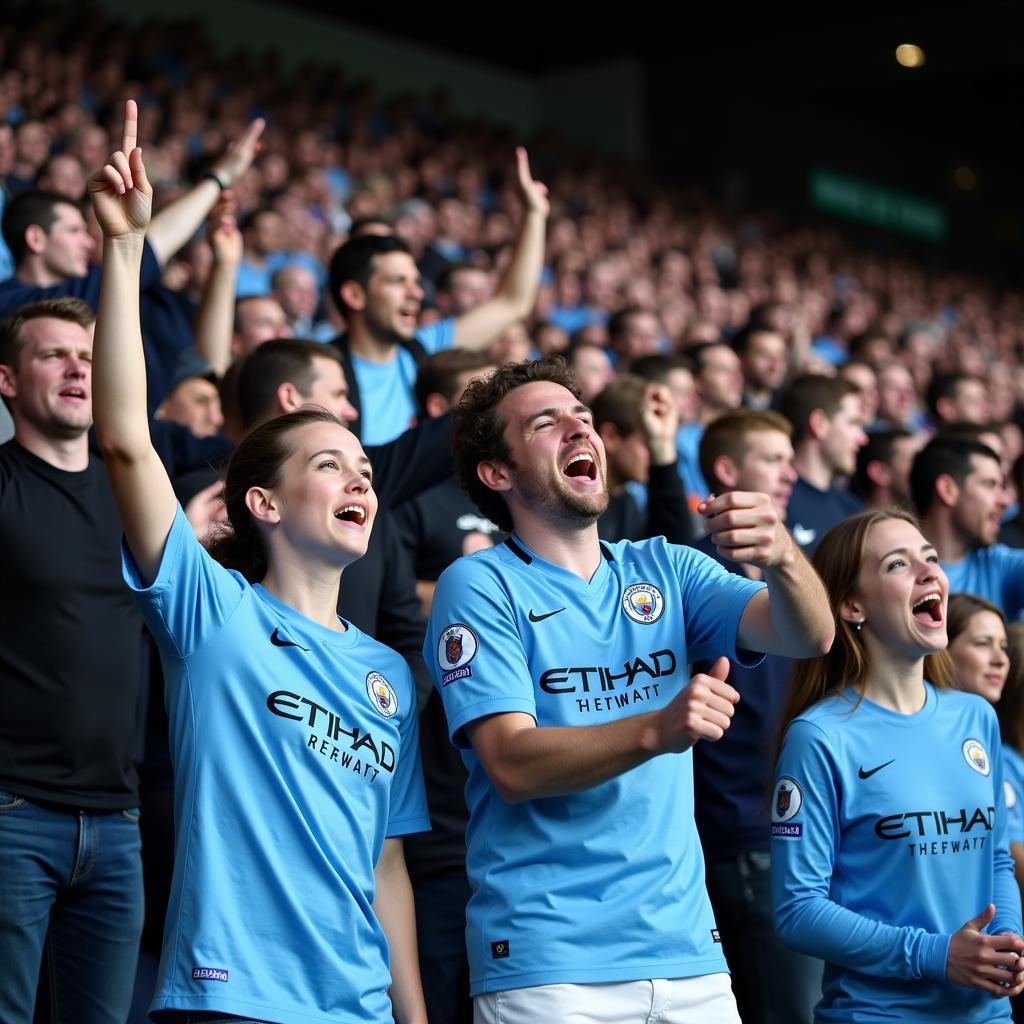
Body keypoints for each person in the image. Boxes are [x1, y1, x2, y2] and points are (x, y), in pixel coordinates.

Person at [90, 101, 429, 1024]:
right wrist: (126, 253)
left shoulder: (386, 673)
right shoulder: (214, 612)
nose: (358, 476)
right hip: (229, 1002)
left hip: (360, 1005)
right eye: (329, 464)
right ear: (264, 504)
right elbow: (123, 439)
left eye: (362, 467)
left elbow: (387, 863)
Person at [425, 355, 833, 1022]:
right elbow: (509, 763)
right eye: (546, 424)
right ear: (497, 473)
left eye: (584, 420)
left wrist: (783, 555)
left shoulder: (666, 565)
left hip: (688, 955)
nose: (580, 433)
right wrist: (655, 729)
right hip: (549, 961)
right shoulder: (479, 585)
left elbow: (806, 634)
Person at [772, 509, 1024, 1022]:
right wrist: (936, 955)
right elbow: (797, 911)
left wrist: (1005, 944)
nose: (930, 572)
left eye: (930, 558)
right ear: (850, 606)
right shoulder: (819, 737)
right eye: (897, 564)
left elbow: (995, 859)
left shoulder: (976, 716)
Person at [0, 294, 146, 1024]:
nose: (76, 368)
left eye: (88, 355)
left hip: (119, 820)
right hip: (12, 811)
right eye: (53, 354)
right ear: (7, 380)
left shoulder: (138, 493)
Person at [691, 409, 820, 1023]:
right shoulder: (689, 572)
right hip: (740, 835)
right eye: (773, 458)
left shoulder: (796, 572)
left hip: (809, 831)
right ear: (726, 470)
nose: (791, 471)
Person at [328, 148, 548, 445]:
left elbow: (512, 303)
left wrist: (534, 214)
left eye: (416, 282)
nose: (416, 293)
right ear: (355, 295)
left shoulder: (422, 350)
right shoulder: (324, 371)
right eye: (397, 281)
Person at [946, 594, 1024, 877]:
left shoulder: (987, 738)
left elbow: (1001, 863)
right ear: (940, 650)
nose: (1001, 660)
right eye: (982, 644)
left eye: (1004, 647)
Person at [911, 437, 1024, 620]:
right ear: (948, 490)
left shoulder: (1001, 566)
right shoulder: (895, 575)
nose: (1004, 501)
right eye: (990, 485)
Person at [779, 374, 866, 554]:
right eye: (853, 423)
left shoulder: (852, 509)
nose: (862, 439)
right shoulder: (777, 501)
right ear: (819, 424)